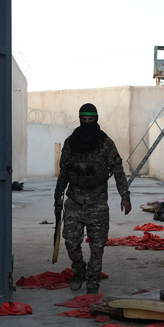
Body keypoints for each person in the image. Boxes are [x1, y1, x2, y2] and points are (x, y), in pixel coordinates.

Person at [54, 103, 132, 294]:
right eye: (84, 120)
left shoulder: (105, 143)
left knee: (97, 245)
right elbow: (64, 171)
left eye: (91, 120)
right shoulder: (71, 143)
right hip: (74, 200)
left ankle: (93, 279)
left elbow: (118, 170)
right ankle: (78, 269)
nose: (87, 123)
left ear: (96, 119)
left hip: (97, 201)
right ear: (80, 119)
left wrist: (125, 196)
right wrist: (58, 196)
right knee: (71, 242)